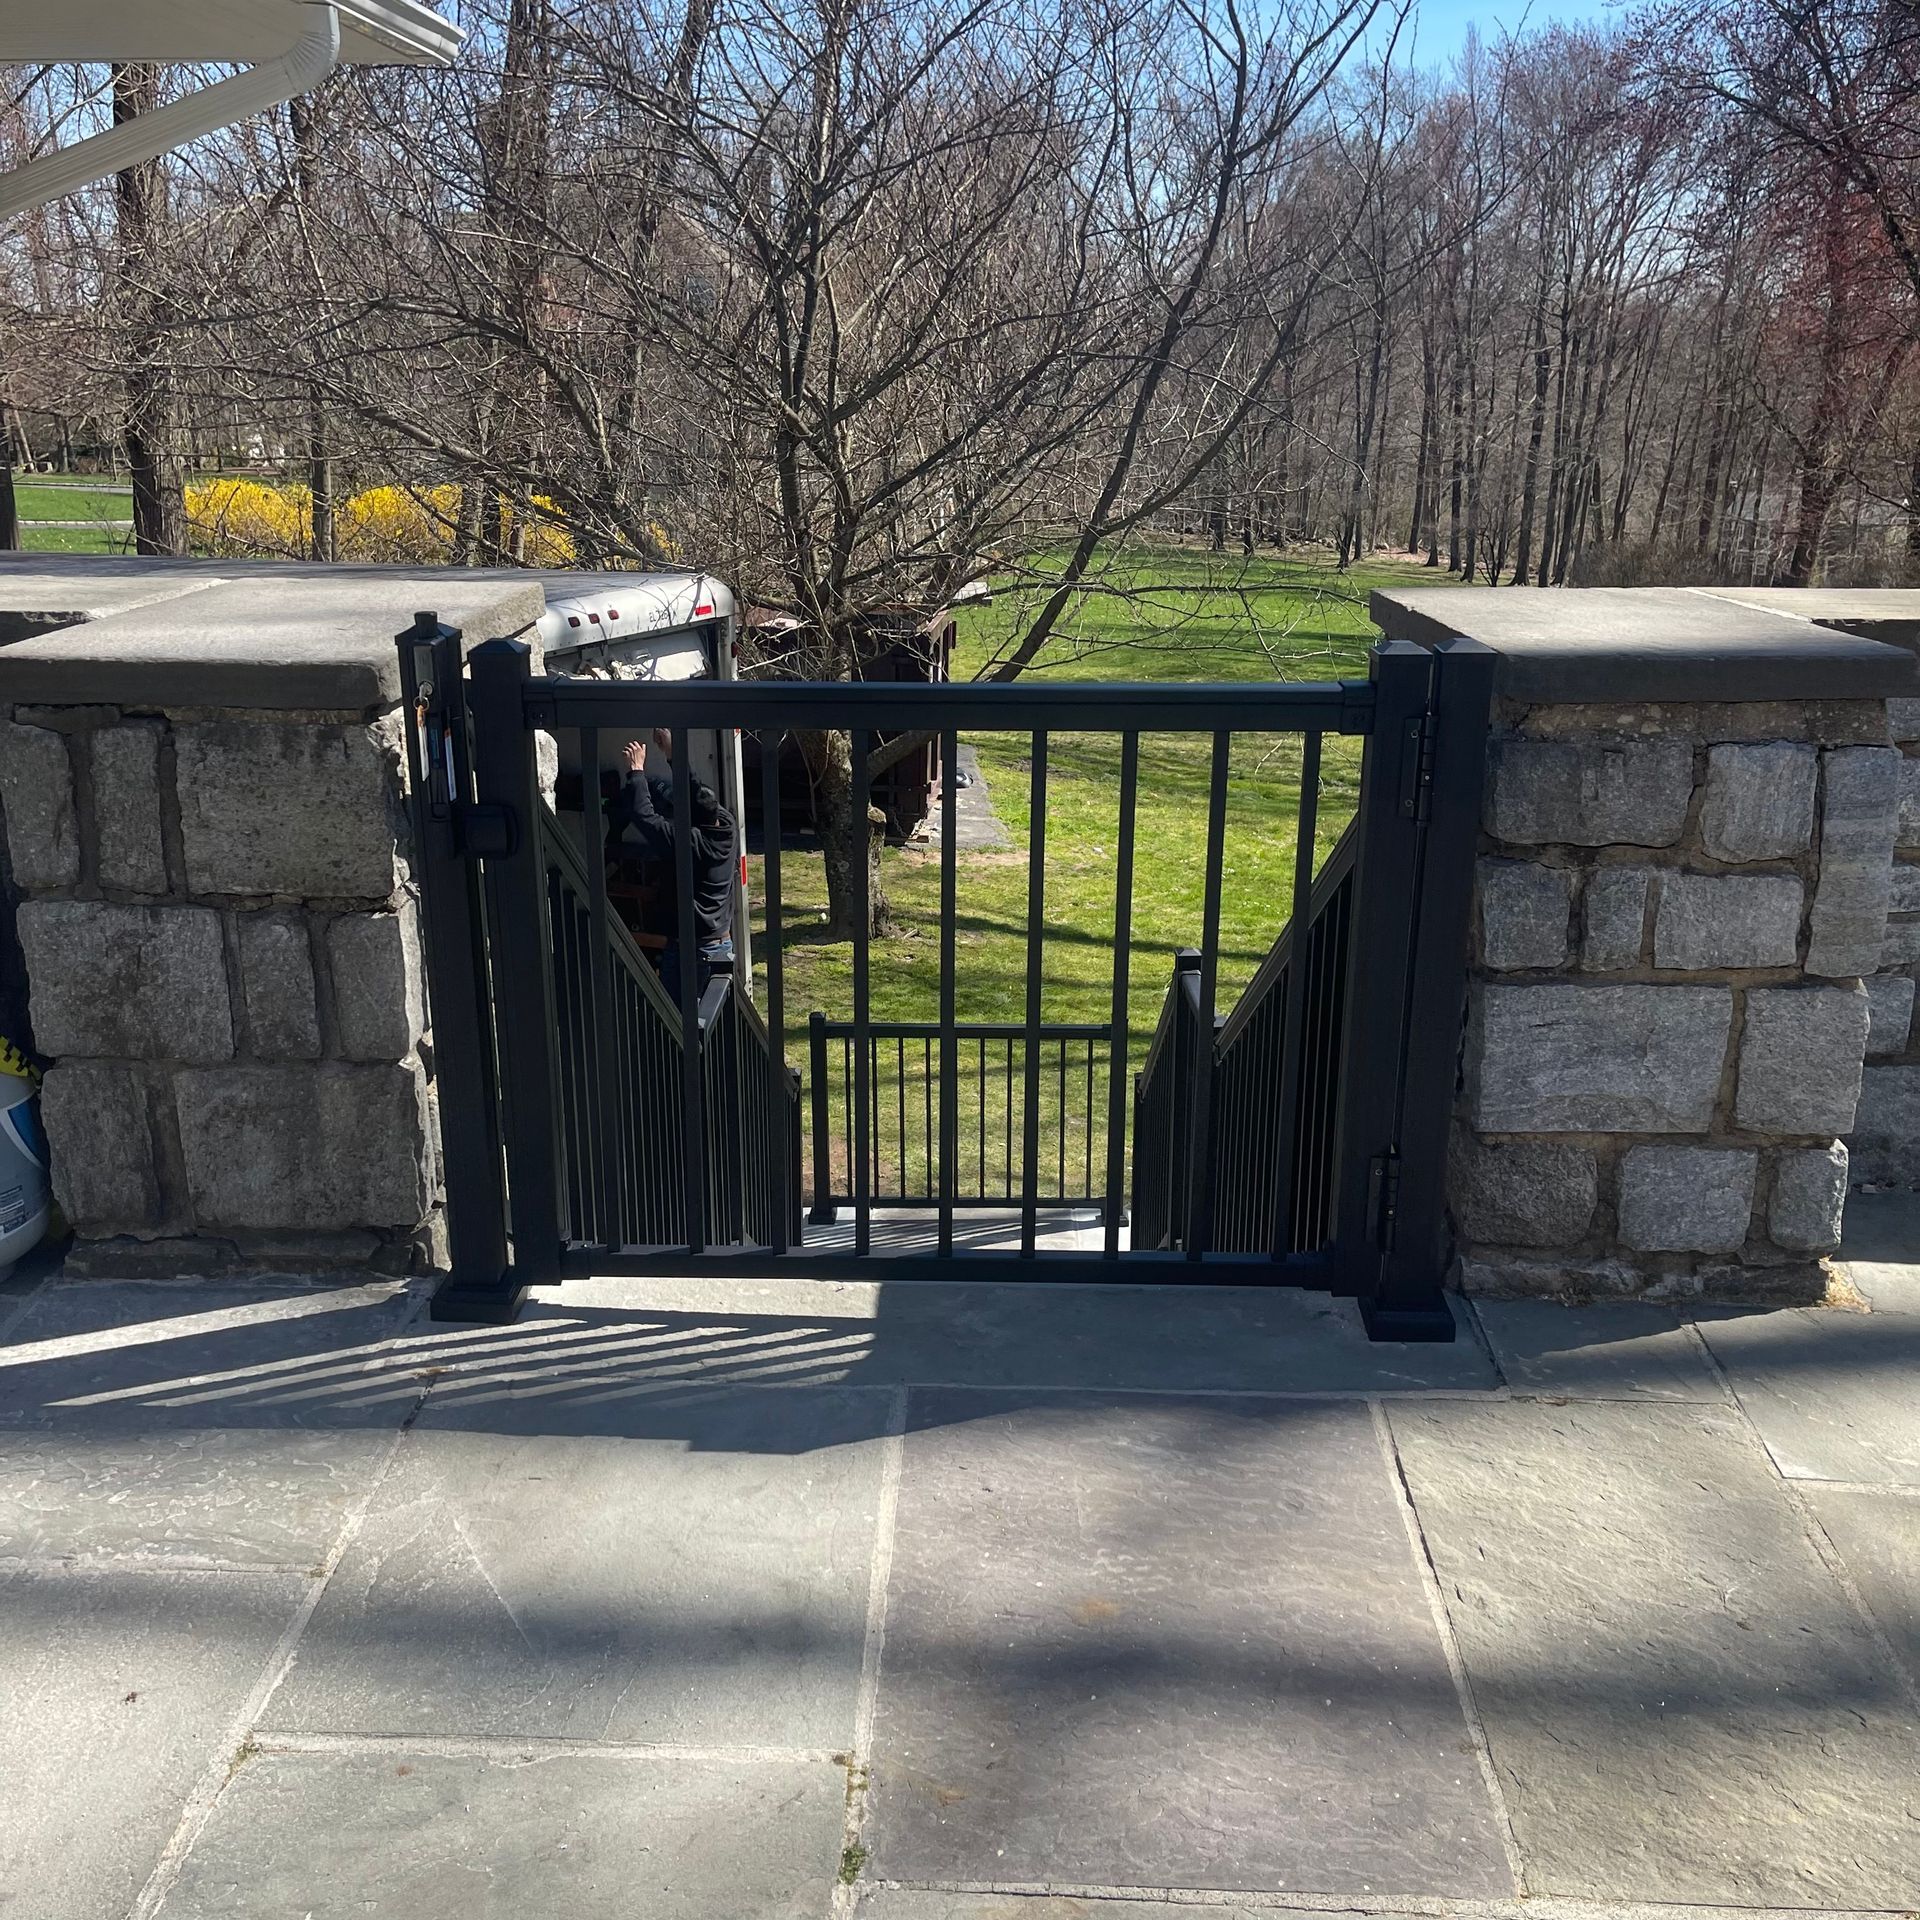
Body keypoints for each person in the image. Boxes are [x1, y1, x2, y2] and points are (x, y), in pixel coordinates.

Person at [609, 727, 736, 1004]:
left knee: (676, 1023)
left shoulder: (689, 843)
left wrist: (636, 771)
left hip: (691, 951)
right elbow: (695, 791)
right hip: (719, 943)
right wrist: (671, 752)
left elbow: (644, 816)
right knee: (711, 1021)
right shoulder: (726, 826)